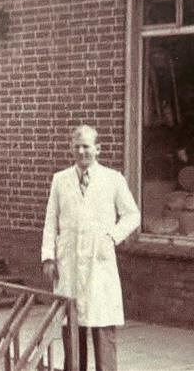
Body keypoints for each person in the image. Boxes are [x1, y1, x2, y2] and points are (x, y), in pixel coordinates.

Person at [41, 124, 141, 371]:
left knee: (102, 323)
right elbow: (50, 221)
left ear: (98, 149)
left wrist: (112, 237)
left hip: (99, 262)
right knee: (72, 325)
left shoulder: (113, 179)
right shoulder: (60, 180)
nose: (81, 151)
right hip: (69, 263)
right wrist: (48, 257)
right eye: (76, 146)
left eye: (86, 146)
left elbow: (132, 215)